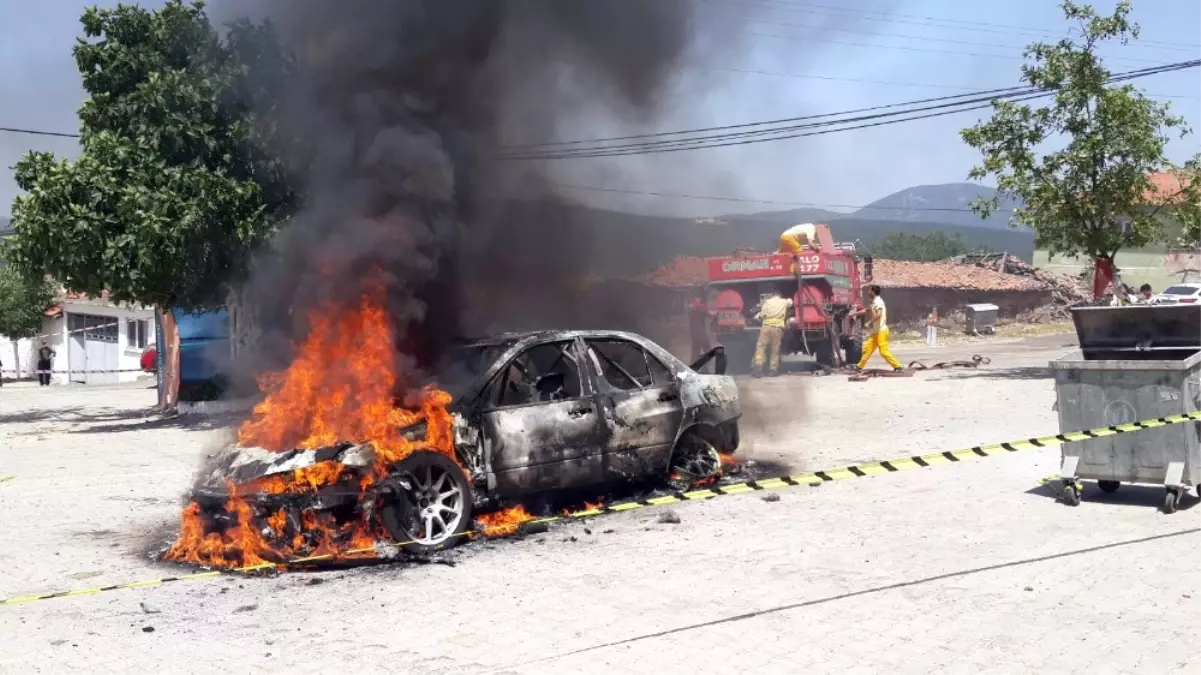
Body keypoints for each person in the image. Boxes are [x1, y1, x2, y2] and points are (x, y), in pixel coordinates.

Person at [851, 285, 903, 372]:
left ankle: (897, 366)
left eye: (869, 291)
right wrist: (853, 314)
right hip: (876, 332)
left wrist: (869, 322)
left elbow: (879, 315)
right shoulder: (874, 302)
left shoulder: (878, 302)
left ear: (873, 292)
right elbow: (866, 310)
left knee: (883, 352)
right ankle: (859, 367)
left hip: (881, 331)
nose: (868, 292)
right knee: (867, 349)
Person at [752, 288, 792, 377]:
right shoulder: (784, 302)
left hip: (766, 327)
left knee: (761, 347)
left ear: (773, 295)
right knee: (775, 350)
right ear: (780, 295)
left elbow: (762, 315)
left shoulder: (767, 302)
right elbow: (790, 302)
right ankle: (773, 370)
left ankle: (758, 368)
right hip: (777, 329)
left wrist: (756, 317)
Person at [687, 290, 716, 361]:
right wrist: (718, 311)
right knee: (707, 349)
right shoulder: (701, 307)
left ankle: (694, 366)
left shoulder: (691, 308)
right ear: (699, 298)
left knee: (695, 351)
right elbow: (711, 314)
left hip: (693, 334)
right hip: (701, 334)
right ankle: (706, 365)